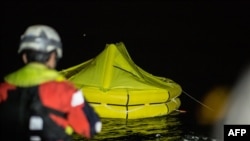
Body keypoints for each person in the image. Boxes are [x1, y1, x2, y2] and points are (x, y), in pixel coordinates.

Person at [0, 25, 102, 141]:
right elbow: (93, 127)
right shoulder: (65, 91)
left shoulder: (3, 88)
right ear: (53, 56)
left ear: (24, 57)